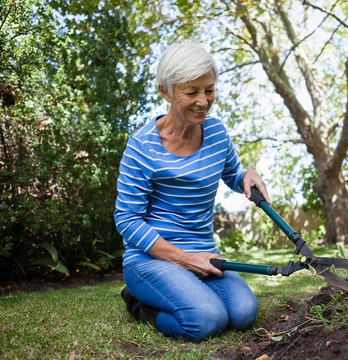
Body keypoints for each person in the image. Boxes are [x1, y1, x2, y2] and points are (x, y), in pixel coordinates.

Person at [114, 42, 271, 341]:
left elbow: (233, 175)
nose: (203, 101)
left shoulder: (216, 133)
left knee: (243, 314)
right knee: (205, 320)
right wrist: (184, 259)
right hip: (150, 260)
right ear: (166, 92)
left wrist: (247, 175)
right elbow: (127, 220)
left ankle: (188, 292)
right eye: (192, 92)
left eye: (209, 90)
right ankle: (138, 304)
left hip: (205, 254)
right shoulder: (142, 146)